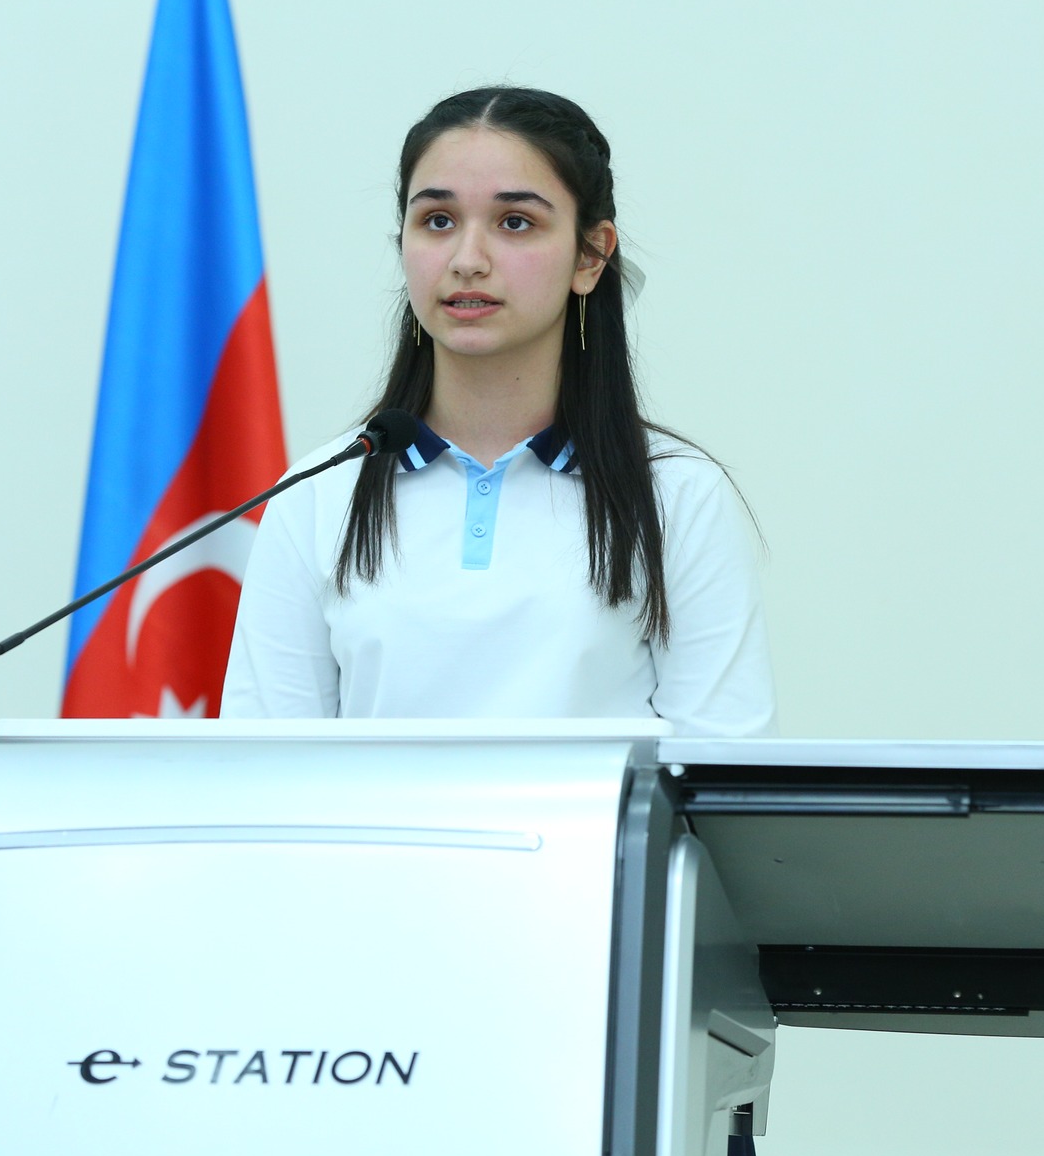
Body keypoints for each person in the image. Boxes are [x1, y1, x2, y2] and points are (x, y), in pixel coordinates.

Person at [220, 86, 775, 741]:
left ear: (591, 255)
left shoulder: (678, 494)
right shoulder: (316, 495)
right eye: (438, 221)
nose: (467, 260)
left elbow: (722, 772)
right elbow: (260, 772)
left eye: (515, 222)